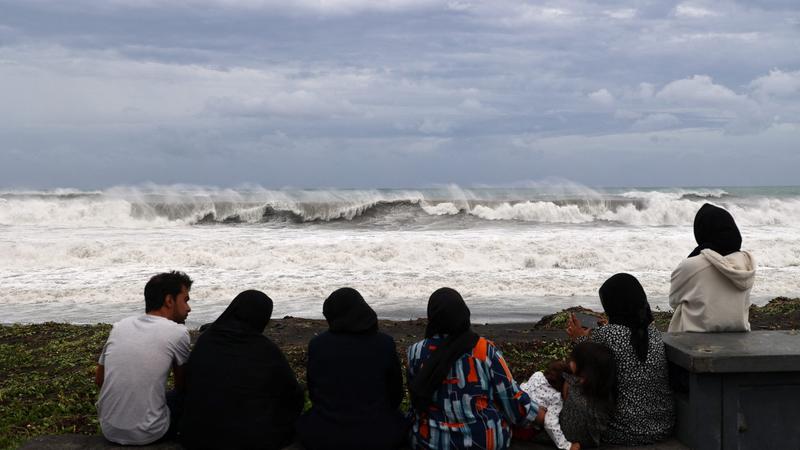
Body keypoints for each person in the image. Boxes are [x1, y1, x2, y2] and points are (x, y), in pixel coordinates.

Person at [407, 287, 544, 450]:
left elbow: (416, 400)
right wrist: (543, 416)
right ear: (464, 314)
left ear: (432, 318)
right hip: (484, 441)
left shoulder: (415, 352)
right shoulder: (484, 350)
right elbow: (513, 401)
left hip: (431, 442)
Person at [179, 290, 304, 450]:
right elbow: (291, 394)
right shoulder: (265, 349)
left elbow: (189, 382)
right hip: (250, 440)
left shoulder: (206, 340)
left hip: (196, 436)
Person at [566, 273, 674, 446]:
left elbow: (581, 363)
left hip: (622, 432)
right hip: (662, 427)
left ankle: (569, 432)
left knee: (571, 381)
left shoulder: (607, 335)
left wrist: (578, 339)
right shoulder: (653, 333)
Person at [296, 288, 407, 450]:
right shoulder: (384, 343)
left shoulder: (318, 345)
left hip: (324, 435)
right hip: (378, 434)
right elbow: (396, 394)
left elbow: (314, 393)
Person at [95, 271, 193, 445]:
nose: (188, 308)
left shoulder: (119, 327)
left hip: (109, 429)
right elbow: (183, 386)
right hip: (151, 433)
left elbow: (99, 379)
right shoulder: (178, 332)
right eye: (185, 300)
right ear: (169, 301)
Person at [669, 203, 756, 332]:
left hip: (692, 340)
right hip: (739, 334)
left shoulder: (691, 266)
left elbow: (674, 300)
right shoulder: (747, 262)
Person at [558, 342, 616, 449]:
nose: (570, 361)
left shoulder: (572, 383)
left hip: (567, 435)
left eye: (573, 359)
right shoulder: (605, 390)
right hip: (592, 440)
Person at [519, 360, 579, 450]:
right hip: (524, 428)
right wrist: (567, 446)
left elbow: (524, 387)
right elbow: (550, 423)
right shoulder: (556, 398)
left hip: (514, 410)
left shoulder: (537, 375)